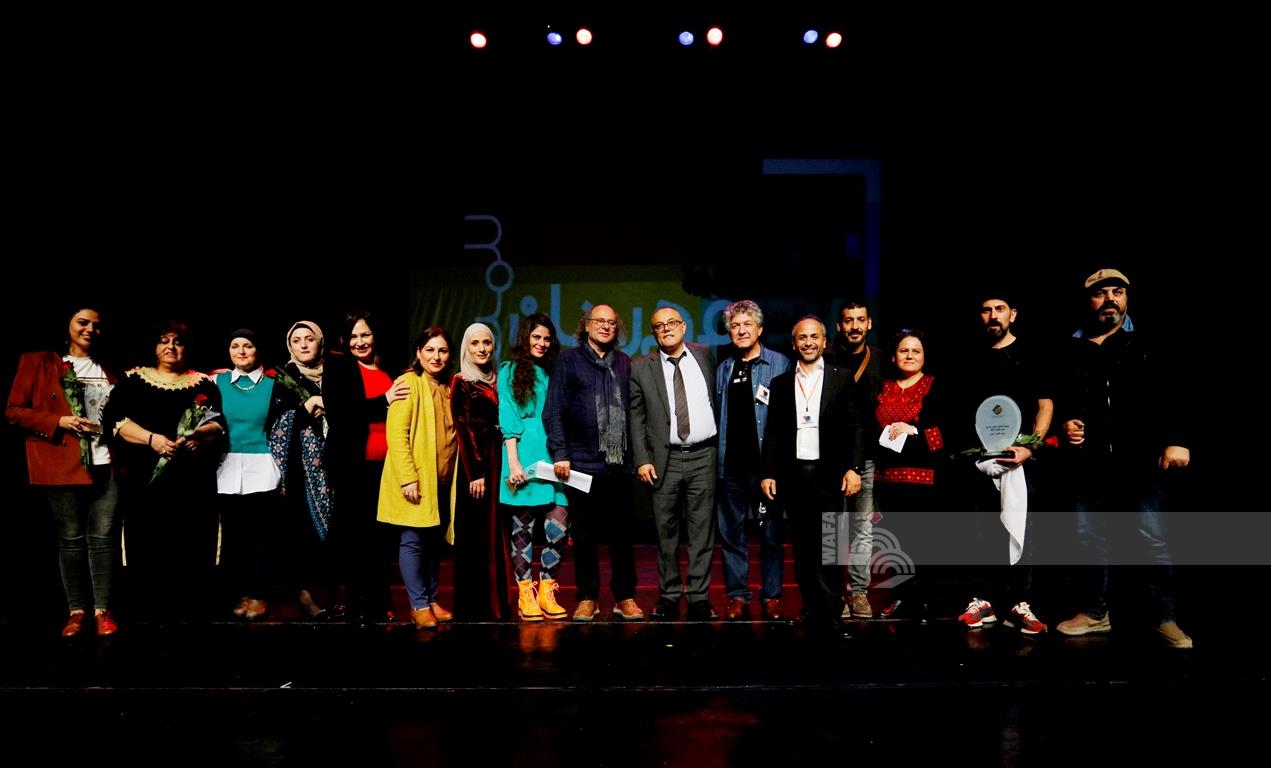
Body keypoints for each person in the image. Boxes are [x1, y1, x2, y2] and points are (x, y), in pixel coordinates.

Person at [1055, 268, 1193, 648]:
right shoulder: (1071, 347)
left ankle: (1164, 617)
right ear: (1089, 301)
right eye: (1101, 293)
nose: (1110, 299)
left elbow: (1175, 392)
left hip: (1140, 460)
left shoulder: (1147, 342)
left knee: (1151, 539)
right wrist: (1066, 424)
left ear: (1127, 298)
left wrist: (1177, 440)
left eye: (1117, 292)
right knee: (1088, 538)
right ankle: (1095, 612)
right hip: (1089, 462)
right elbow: (1059, 398)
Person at [6, 306, 120, 637]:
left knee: (104, 538)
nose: (90, 330)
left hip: (107, 462)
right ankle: (77, 610)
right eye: (82, 322)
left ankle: (102, 610)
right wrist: (60, 421)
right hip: (62, 462)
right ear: (67, 325)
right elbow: (14, 411)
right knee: (71, 538)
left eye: (96, 325)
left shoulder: (110, 367)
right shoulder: (40, 362)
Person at [102, 320, 224, 621]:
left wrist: (198, 435)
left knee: (190, 540)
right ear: (154, 346)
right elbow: (115, 422)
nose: (171, 347)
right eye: (164, 340)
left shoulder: (203, 384)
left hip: (191, 480)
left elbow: (219, 424)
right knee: (147, 539)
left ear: (187, 348)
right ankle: (148, 609)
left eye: (178, 342)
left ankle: (190, 609)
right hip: (145, 478)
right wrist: (151, 439)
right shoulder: (134, 380)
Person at [951, 293, 1053, 635]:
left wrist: (1030, 448)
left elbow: (1045, 406)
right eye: (986, 310)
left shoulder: (1031, 354)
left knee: (1023, 528)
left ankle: (1019, 602)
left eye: (1000, 309)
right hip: (980, 460)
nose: (993, 315)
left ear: (1013, 314)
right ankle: (983, 601)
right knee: (980, 530)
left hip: (1021, 459)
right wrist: (974, 453)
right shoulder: (969, 358)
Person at [760, 316, 864, 635]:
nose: (808, 342)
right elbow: (773, 432)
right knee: (803, 547)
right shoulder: (780, 383)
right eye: (802, 338)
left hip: (829, 473)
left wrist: (854, 468)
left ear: (824, 342)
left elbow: (855, 426)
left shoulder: (841, 378)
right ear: (794, 344)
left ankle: (832, 610)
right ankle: (810, 606)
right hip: (794, 475)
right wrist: (768, 472)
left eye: (814, 337)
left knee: (830, 545)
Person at [543, 304, 643, 622]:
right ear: (586, 326)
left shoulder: (624, 363)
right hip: (581, 465)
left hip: (619, 466)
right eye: (599, 321)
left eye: (611, 322)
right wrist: (560, 452)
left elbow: (634, 413)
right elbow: (554, 409)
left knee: (621, 538)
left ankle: (624, 597)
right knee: (584, 537)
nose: (605, 326)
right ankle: (587, 597)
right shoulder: (568, 361)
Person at [631, 306, 719, 621]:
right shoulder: (641, 367)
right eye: (659, 325)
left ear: (683, 326)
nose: (666, 328)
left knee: (701, 531)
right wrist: (642, 459)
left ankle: (699, 598)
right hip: (662, 459)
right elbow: (636, 416)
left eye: (672, 323)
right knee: (665, 533)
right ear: (653, 333)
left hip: (703, 456)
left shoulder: (705, 355)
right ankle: (668, 596)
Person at [322, 310, 409, 625]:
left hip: (386, 468)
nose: (360, 342)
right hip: (353, 468)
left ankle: (380, 601)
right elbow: (340, 413)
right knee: (355, 539)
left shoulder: (388, 369)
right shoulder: (340, 368)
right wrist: (384, 400)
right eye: (354, 336)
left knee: (380, 539)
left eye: (365, 335)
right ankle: (354, 603)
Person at [378, 327, 458, 630]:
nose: (436, 356)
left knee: (434, 544)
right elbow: (396, 435)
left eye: (442, 351)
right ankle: (418, 605)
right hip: (417, 479)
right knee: (412, 541)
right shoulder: (408, 383)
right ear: (418, 353)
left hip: (443, 481)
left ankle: (432, 600)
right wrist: (408, 478)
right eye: (430, 350)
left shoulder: (449, 387)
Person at [715, 300, 791, 620]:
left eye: (747, 324)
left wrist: (775, 466)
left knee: (771, 535)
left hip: (766, 469)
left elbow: (786, 419)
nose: (741, 330)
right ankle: (737, 595)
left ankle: (772, 596)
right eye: (735, 326)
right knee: (731, 535)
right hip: (730, 467)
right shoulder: (724, 368)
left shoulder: (780, 363)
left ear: (759, 329)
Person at [871, 328, 949, 619]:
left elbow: (945, 431)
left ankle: (926, 600)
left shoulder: (934, 386)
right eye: (904, 350)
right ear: (893, 356)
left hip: (923, 479)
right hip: (887, 479)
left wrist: (913, 430)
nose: (910, 356)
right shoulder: (883, 387)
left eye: (916, 351)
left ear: (925, 357)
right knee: (895, 543)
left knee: (924, 542)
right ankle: (902, 598)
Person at [498, 313, 570, 621]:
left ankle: (546, 591)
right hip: (524, 458)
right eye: (536, 337)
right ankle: (525, 594)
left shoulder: (556, 370)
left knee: (559, 526)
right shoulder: (510, 370)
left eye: (547, 338)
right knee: (523, 530)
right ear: (525, 337)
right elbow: (508, 416)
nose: (541, 343)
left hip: (556, 457)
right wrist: (513, 462)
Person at [213, 329, 285, 621]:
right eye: (235, 346)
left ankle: (258, 594)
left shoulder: (273, 385)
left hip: (261, 465)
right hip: (226, 465)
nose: (241, 351)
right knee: (233, 536)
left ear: (258, 351)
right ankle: (237, 593)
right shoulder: (216, 382)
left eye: (248, 346)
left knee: (259, 536)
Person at [269, 320, 336, 619]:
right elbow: (273, 421)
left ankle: (333, 593)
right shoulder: (283, 379)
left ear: (320, 342)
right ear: (290, 346)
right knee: (303, 532)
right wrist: (305, 408)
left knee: (336, 530)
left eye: (309, 338)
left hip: (336, 462)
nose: (304, 345)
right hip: (300, 469)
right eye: (296, 341)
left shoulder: (336, 373)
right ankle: (306, 596)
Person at [824, 300, 885, 620]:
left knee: (862, 528)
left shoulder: (880, 359)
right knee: (832, 527)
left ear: (869, 323)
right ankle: (835, 594)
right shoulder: (826, 357)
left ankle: (859, 592)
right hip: (831, 458)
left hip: (868, 456)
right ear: (839, 326)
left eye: (860, 319)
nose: (855, 326)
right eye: (849, 320)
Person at [451, 322, 512, 620]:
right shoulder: (461, 381)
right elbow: (463, 428)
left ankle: (498, 602)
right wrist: (475, 472)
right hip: (476, 464)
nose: (482, 348)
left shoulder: (500, 379)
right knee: (477, 533)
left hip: (499, 459)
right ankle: (476, 605)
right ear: (466, 347)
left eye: (486, 342)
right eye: (475, 343)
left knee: (497, 531)